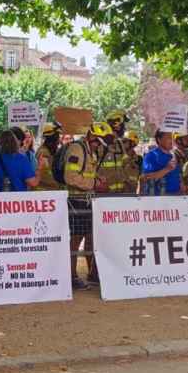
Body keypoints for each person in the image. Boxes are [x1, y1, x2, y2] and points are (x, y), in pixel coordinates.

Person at [62, 122, 109, 289]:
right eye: (97, 141)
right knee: (75, 240)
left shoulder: (90, 151)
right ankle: (71, 276)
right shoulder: (77, 149)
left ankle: (93, 274)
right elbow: (70, 177)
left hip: (87, 200)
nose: (98, 145)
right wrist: (94, 183)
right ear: (91, 136)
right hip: (76, 201)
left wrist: (96, 181)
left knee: (91, 237)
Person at [142, 129, 182, 195]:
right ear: (159, 139)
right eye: (169, 137)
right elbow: (147, 178)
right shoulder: (151, 156)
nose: (172, 140)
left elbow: (177, 176)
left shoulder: (172, 156)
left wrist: (181, 184)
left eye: (172, 137)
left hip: (176, 198)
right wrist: (167, 169)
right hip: (158, 200)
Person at [34, 123, 64, 191]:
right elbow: (46, 174)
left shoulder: (51, 151)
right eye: (57, 137)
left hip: (50, 191)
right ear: (51, 138)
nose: (59, 140)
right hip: (45, 193)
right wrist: (60, 184)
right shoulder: (43, 153)